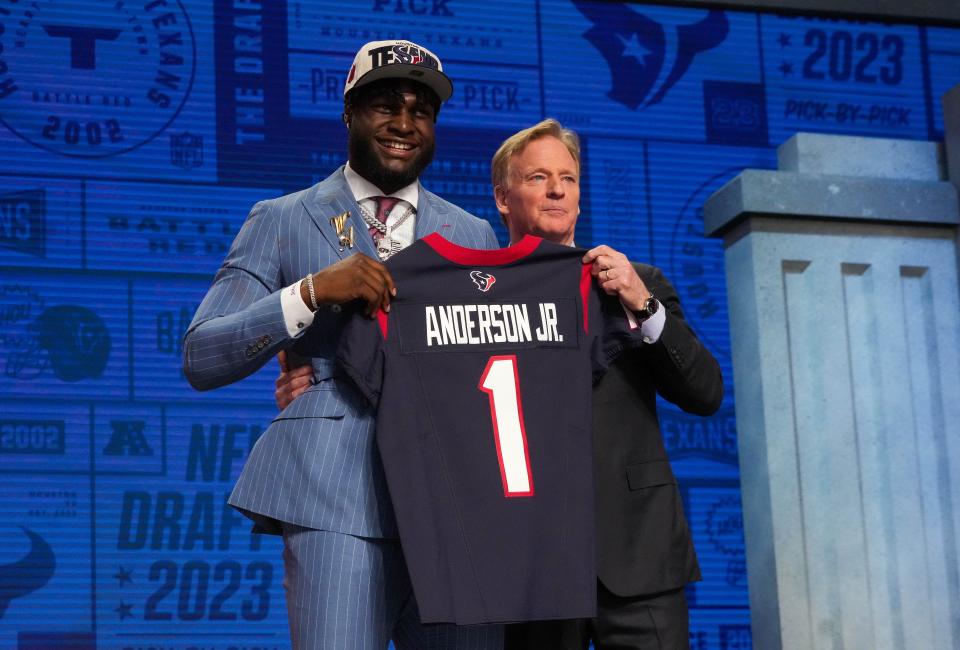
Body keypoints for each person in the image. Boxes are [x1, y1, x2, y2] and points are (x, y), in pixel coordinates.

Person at [276, 119, 724, 649]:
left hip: (636, 558)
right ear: (502, 198)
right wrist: (318, 377)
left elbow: (705, 392)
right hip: (526, 561)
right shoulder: (461, 295)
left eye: (568, 177)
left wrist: (642, 307)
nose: (557, 188)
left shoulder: (634, 282)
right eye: (538, 177)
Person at [183, 40, 503, 649]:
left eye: (421, 111)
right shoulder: (282, 217)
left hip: (456, 500)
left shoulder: (472, 232)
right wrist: (308, 294)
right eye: (386, 105)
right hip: (334, 492)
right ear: (349, 113)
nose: (405, 124)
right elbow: (201, 356)